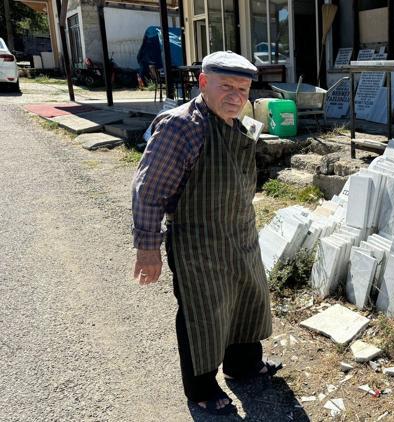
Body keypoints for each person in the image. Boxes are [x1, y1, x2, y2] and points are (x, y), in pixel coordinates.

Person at [131, 51, 281, 416]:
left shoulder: (237, 123)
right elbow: (148, 190)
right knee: (205, 312)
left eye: (242, 88)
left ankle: (243, 366)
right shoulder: (181, 127)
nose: (235, 96)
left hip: (240, 234)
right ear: (202, 83)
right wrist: (147, 250)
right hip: (198, 242)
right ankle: (200, 388)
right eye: (226, 86)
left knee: (247, 298)